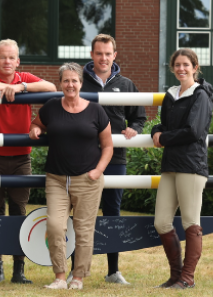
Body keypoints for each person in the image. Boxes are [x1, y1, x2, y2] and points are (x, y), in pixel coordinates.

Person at [0, 39, 56, 284]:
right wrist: (1, 87)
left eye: (12, 58)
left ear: (18, 61)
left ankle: (18, 270)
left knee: (19, 212)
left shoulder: (24, 78)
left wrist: (20, 88)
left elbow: (51, 86)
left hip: (21, 157)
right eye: (2, 57)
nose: (7, 61)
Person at [68, 34, 145, 285]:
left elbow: (139, 117)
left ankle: (113, 271)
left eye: (107, 53)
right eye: (98, 53)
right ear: (92, 55)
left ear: (115, 55)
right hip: (83, 157)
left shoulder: (127, 84)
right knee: (81, 213)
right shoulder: (79, 82)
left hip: (116, 158)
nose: (103, 58)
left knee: (112, 212)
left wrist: (135, 129)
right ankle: (75, 270)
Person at [30, 62, 113, 290]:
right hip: (56, 179)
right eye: (66, 80)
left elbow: (107, 146)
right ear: (60, 83)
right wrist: (36, 129)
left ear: (80, 82)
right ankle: (59, 276)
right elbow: (37, 124)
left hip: (88, 181)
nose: (70, 84)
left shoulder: (96, 110)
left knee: (84, 230)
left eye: (74, 80)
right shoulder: (51, 107)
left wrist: (97, 171)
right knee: (56, 226)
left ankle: (78, 278)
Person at [150, 48, 213, 290]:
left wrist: (163, 138)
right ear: (172, 67)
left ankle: (188, 277)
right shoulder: (171, 95)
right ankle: (175, 276)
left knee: (190, 222)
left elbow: (194, 131)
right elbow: (164, 124)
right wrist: (156, 130)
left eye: (186, 64)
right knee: (161, 222)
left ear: (195, 67)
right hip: (170, 165)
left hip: (192, 165)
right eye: (177, 64)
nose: (181, 68)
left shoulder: (201, 95)